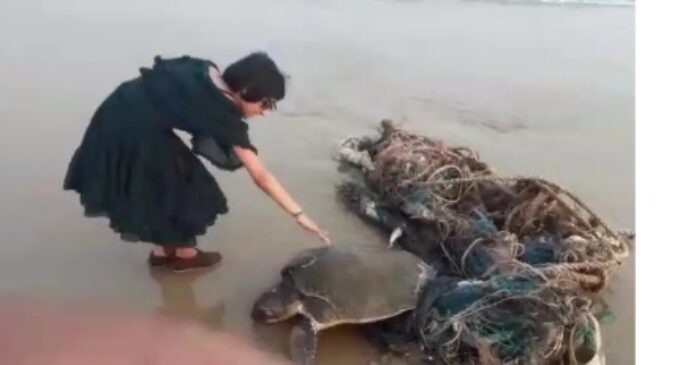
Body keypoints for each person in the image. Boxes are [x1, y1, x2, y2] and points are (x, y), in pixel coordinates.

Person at [63, 52, 331, 273]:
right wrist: (300, 216)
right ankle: (181, 255)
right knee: (188, 187)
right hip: (131, 129)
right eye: (264, 104)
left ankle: (163, 251)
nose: (264, 113)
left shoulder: (206, 70)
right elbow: (261, 175)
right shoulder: (221, 112)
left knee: (171, 178)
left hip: (117, 110)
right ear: (246, 90)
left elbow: (162, 88)